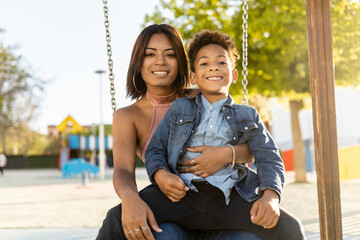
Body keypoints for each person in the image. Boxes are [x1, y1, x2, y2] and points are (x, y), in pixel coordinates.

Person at [96, 24, 261, 240]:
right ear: (139, 61)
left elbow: (256, 147)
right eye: (150, 54)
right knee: (155, 233)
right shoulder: (129, 116)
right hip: (172, 211)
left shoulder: (202, 96)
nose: (160, 61)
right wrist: (130, 198)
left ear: (181, 62)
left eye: (170, 54)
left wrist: (225, 155)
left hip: (220, 207)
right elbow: (123, 171)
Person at [142, 30, 305, 240]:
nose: (213, 67)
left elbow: (269, 158)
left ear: (234, 75)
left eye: (221, 62)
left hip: (229, 197)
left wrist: (271, 196)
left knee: (290, 228)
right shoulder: (179, 108)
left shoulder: (247, 115)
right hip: (181, 195)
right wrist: (161, 175)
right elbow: (156, 149)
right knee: (118, 217)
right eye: (204, 63)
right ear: (193, 77)